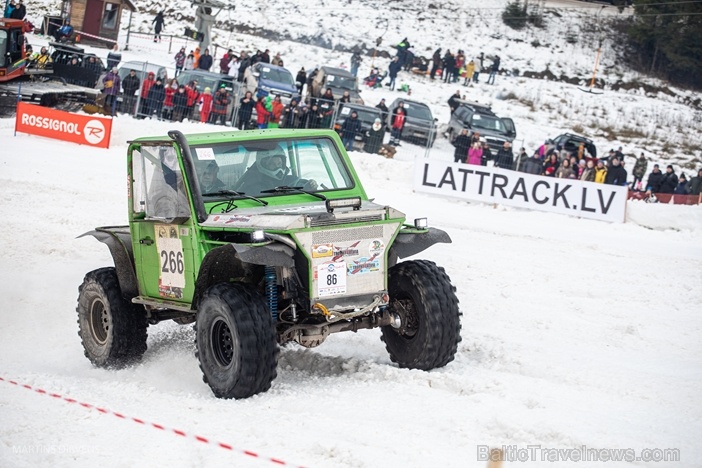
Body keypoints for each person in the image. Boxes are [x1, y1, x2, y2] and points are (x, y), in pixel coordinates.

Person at [235, 150, 317, 195]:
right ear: (263, 165)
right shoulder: (252, 186)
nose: (278, 168)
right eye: (273, 164)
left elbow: (298, 184)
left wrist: (308, 186)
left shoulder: (291, 180)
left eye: (279, 164)